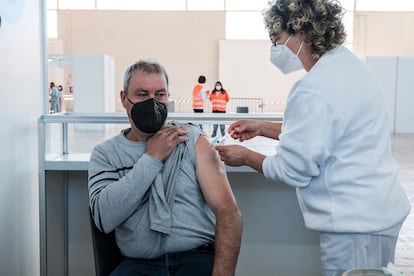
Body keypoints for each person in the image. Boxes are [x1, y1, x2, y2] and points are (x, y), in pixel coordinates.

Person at [215, 0, 410, 275]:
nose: (274, 48)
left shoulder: (314, 88)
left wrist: (245, 156)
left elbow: (291, 170)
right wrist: (261, 127)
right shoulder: (345, 66)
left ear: (299, 33)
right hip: (375, 211)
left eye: (277, 38)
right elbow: (322, 134)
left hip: (355, 225)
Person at [88, 59, 242, 276]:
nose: (152, 102)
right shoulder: (106, 154)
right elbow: (104, 218)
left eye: (160, 94)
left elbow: (229, 212)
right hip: (140, 264)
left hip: (196, 258)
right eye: (142, 94)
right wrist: (152, 157)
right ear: (124, 99)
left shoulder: (191, 140)